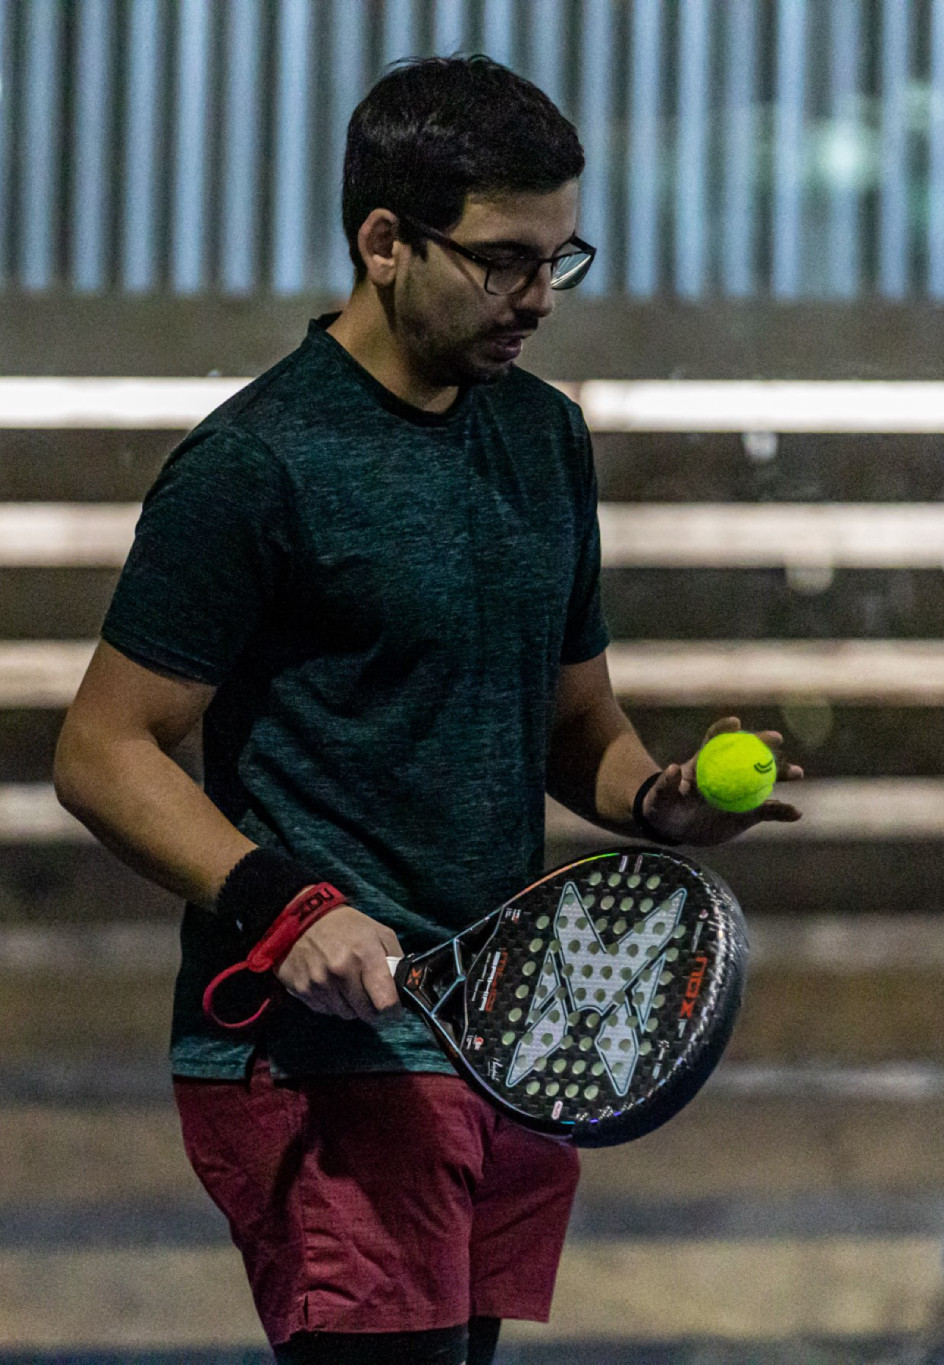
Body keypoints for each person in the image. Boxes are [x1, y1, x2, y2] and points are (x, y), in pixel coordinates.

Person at [53, 55, 801, 1365]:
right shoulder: (254, 465)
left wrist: (658, 796)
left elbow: (575, 722)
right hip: (323, 1054)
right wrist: (288, 907)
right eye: (505, 262)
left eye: (560, 261)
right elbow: (102, 749)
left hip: (507, 1033)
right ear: (385, 243)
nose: (539, 299)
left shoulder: (545, 439)